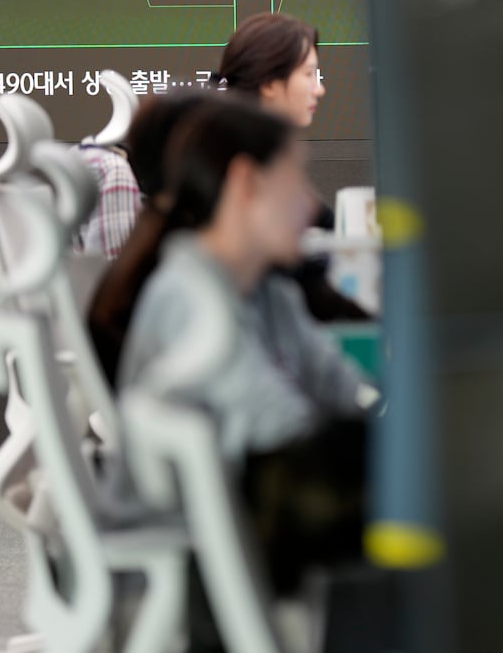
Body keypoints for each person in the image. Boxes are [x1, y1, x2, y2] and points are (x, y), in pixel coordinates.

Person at [88, 98, 374, 647]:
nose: (312, 204)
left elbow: (342, 393)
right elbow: (285, 433)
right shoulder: (193, 302)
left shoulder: (266, 291)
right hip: (205, 569)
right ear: (246, 182)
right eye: (297, 179)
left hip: (248, 533)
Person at [212, 12, 372, 323]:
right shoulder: (242, 169)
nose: (319, 89)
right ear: (271, 83)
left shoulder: (256, 158)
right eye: (310, 74)